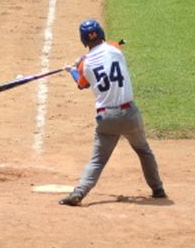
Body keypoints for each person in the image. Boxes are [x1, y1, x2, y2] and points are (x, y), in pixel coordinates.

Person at [59, 19, 167, 206]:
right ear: (101, 33)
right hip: (129, 115)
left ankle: (80, 191)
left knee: (98, 161)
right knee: (143, 150)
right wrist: (80, 62)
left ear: (83, 40)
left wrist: (72, 69)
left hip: (106, 119)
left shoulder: (85, 65)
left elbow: (81, 84)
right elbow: (110, 47)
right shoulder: (115, 49)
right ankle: (158, 189)